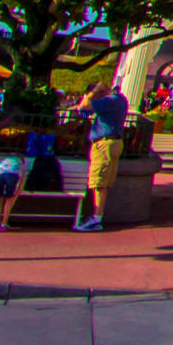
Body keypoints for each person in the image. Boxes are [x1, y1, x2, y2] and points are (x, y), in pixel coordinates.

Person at [73, 79, 129, 232]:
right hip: (110, 143)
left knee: (98, 182)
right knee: (102, 182)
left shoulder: (111, 100)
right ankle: (96, 216)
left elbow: (84, 105)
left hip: (104, 144)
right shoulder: (117, 101)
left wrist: (92, 94)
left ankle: (96, 218)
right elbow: (83, 111)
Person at [0, 153, 23, 231]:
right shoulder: (19, 163)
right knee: (9, 199)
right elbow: (22, 179)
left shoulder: (1, 161)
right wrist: (16, 194)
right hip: (13, 173)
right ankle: (4, 224)